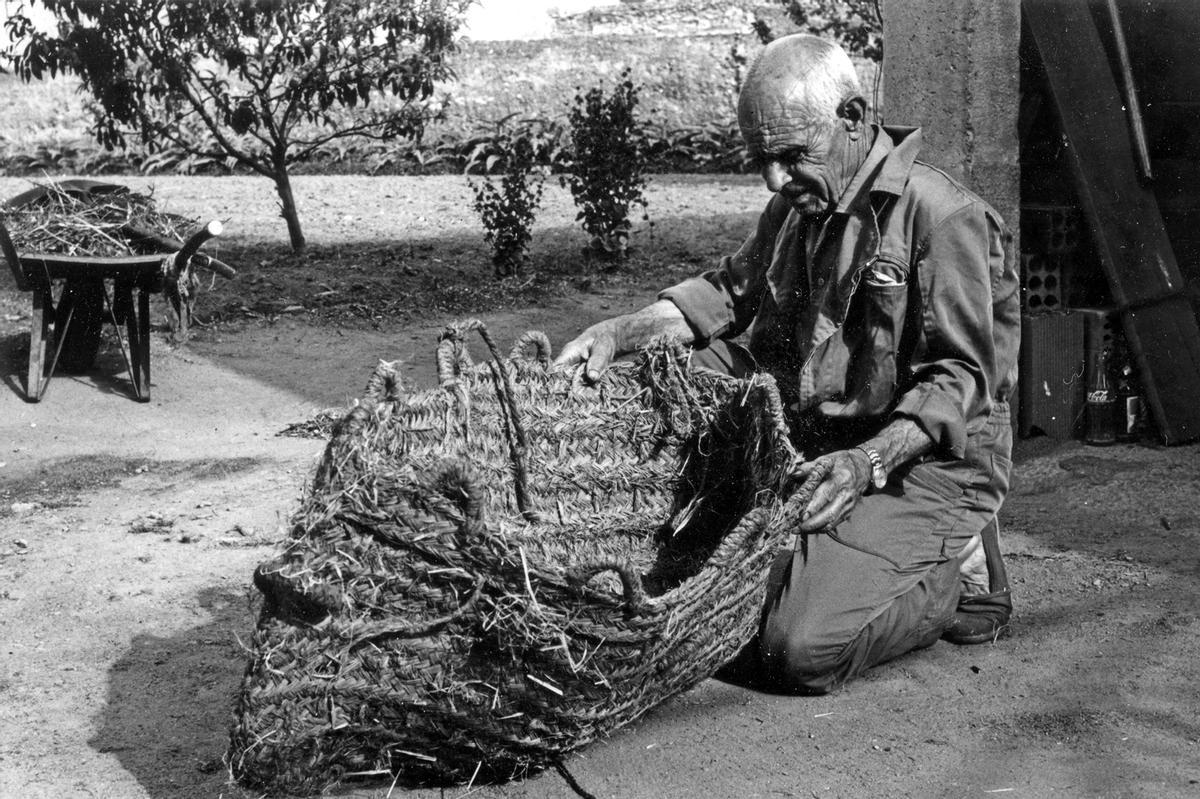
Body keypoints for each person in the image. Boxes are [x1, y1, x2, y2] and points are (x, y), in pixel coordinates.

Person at [554, 33, 1020, 694]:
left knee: (795, 649)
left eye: (791, 155)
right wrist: (619, 333)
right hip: (827, 438)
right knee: (676, 365)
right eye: (762, 161)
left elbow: (962, 380)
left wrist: (867, 463)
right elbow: (727, 293)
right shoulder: (798, 206)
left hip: (924, 462)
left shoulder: (943, 217)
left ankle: (957, 575)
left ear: (852, 118)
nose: (774, 180)